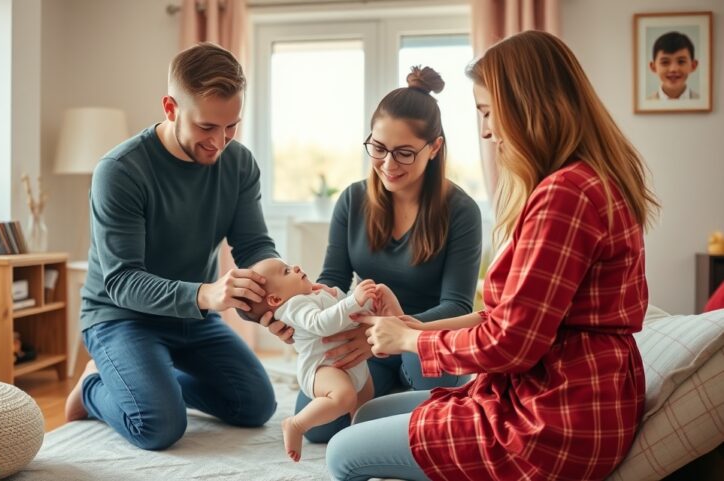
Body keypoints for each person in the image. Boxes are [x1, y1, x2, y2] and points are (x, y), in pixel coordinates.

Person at [326, 30, 660, 481]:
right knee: (366, 416)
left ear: (527, 106)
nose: (485, 130)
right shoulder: (577, 183)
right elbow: (508, 319)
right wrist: (413, 327)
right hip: (551, 396)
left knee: (342, 453)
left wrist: (410, 341)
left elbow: (510, 344)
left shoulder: (566, 194)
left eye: (487, 111)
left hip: (554, 418)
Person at [63, 42, 279, 451]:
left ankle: (149, 381)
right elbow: (123, 281)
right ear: (170, 108)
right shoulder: (120, 171)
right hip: (121, 317)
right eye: (206, 127)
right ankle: (93, 386)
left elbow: (254, 245)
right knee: (158, 426)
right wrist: (206, 294)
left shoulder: (239, 164)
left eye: (231, 126)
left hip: (192, 317)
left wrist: (279, 297)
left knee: (255, 405)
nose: (219, 141)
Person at [285, 66, 483, 443]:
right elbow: (332, 280)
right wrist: (308, 314)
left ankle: (407, 401)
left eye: (404, 153)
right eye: (378, 148)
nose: (388, 165)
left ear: (434, 148)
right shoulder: (352, 200)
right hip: (366, 339)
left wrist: (391, 331)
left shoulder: (461, 211)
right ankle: (395, 402)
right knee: (317, 426)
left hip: (422, 341)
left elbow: (457, 305)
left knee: (428, 377)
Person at [238, 258, 379, 462]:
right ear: (275, 300)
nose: (295, 267)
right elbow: (320, 323)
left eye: (289, 266)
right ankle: (296, 424)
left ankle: (357, 435)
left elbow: (346, 313)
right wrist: (353, 300)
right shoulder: (293, 306)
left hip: (348, 360)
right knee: (344, 397)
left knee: (365, 397)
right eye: (286, 271)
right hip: (323, 368)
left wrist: (345, 297)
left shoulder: (313, 294)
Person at [647, 31, 700, 100]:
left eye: (681, 61)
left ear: (693, 65)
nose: (673, 69)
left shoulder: (703, 102)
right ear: (653, 67)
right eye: (665, 62)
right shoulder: (644, 104)